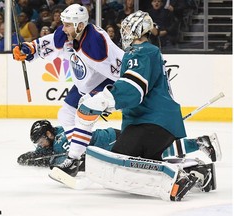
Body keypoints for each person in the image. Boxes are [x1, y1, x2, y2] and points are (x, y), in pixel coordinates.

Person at [51, 10, 200, 200]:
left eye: (128, 28)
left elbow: (133, 88)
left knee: (119, 160)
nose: (124, 32)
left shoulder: (142, 51)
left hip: (151, 122)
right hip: (156, 122)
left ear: (137, 30)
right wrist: (107, 101)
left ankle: (177, 180)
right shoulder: (144, 53)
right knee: (143, 161)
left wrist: (105, 99)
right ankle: (198, 169)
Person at [12, 4, 124, 145]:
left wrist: (114, 95)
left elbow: (121, 70)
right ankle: (76, 149)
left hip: (106, 82)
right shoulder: (67, 33)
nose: (63, 29)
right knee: (66, 114)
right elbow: (51, 42)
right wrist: (30, 49)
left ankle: (82, 148)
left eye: (68, 25)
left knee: (84, 111)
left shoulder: (96, 44)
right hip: (85, 85)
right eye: (64, 24)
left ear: (81, 25)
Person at [19, 119, 220, 193]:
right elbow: (47, 153)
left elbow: (67, 162)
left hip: (115, 144)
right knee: (156, 154)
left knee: (154, 157)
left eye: (39, 141)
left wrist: (47, 161)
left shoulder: (63, 139)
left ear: (48, 134)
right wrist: (34, 156)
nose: (40, 145)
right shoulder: (57, 137)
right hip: (114, 141)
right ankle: (197, 154)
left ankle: (196, 159)